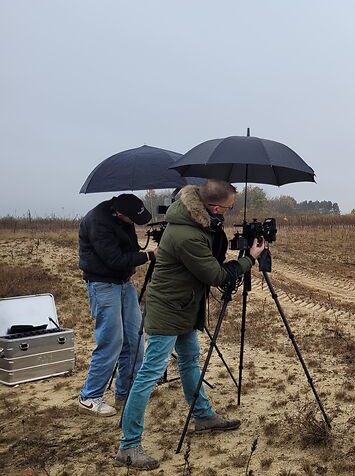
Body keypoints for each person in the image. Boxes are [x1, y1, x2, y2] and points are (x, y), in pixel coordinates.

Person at [116, 179, 266, 470]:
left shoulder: (197, 224)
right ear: (212, 206)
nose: (229, 212)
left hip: (184, 307)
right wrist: (249, 259)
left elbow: (212, 257)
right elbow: (216, 275)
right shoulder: (188, 234)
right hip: (169, 310)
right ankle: (128, 446)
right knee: (149, 373)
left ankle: (203, 416)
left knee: (189, 362)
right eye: (228, 207)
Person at [78, 194, 156, 416]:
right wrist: (150, 256)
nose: (134, 224)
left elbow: (130, 249)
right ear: (121, 214)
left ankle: (127, 392)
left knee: (134, 339)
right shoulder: (96, 221)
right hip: (103, 284)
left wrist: (142, 253)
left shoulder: (123, 216)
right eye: (132, 220)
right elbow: (115, 259)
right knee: (111, 341)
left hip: (124, 283)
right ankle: (89, 396)